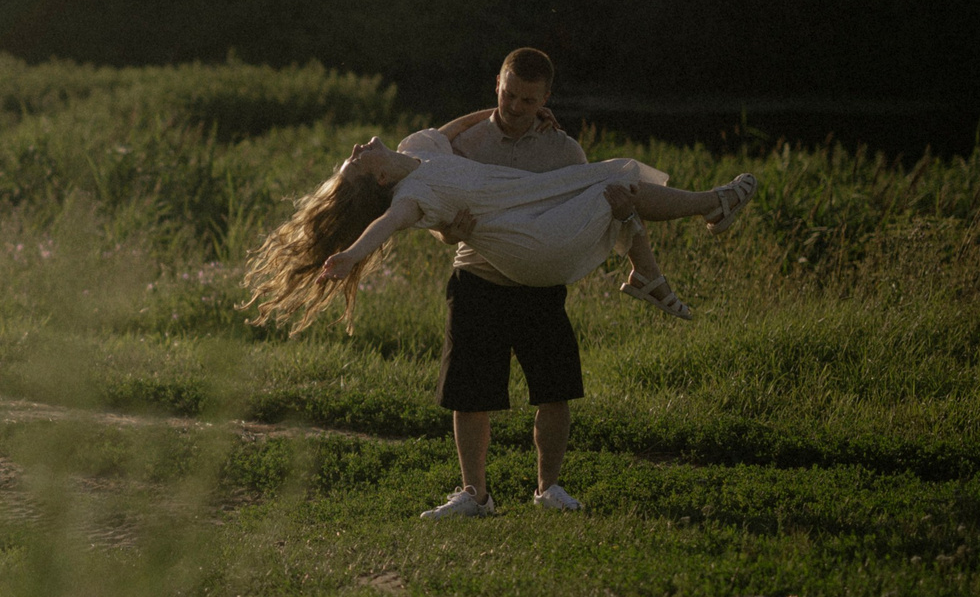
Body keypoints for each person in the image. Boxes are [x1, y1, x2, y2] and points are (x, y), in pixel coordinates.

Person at [240, 48, 756, 519]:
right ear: (498, 87)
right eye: (509, 96)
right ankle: (474, 493)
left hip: (536, 270)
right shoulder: (423, 178)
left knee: (556, 386)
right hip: (481, 273)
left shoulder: (528, 149)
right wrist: (356, 253)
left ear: (545, 99)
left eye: (527, 100)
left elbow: (558, 197)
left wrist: (617, 213)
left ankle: (549, 487)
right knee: (471, 394)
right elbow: (400, 223)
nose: (514, 106)